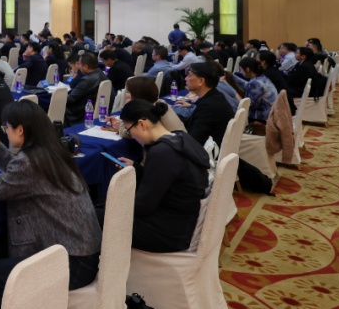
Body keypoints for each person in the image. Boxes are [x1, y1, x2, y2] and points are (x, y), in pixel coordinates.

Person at [0, 101, 102, 309]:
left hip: (72, 263)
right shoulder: (51, 152)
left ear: (20, 130)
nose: (5, 132)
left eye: (6, 127)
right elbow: (18, 175)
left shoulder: (30, 162)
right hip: (81, 252)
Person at [115, 100, 209, 252]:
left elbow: (143, 206)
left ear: (142, 124)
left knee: (97, 218)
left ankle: (101, 264)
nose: (131, 135)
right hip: (181, 221)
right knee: (104, 211)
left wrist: (114, 204)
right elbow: (168, 181)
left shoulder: (162, 153)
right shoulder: (181, 137)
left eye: (129, 130)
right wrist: (137, 169)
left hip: (166, 232)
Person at [180, 61, 234, 147]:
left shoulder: (209, 106)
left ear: (201, 81)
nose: (185, 78)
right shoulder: (215, 96)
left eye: (189, 75)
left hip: (207, 152)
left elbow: (193, 142)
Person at [229, 57, 278, 125]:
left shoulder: (255, 84)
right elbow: (247, 85)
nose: (240, 72)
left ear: (247, 69)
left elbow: (251, 105)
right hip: (270, 112)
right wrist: (231, 76)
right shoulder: (262, 78)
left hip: (262, 117)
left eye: (241, 69)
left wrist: (235, 95)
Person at [65, 52, 103, 124]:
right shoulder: (100, 73)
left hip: (82, 111)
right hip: (94, 106)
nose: (79, 67)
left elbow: (71, 98)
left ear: (85, 66)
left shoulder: (87, 79)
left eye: (79, 64)